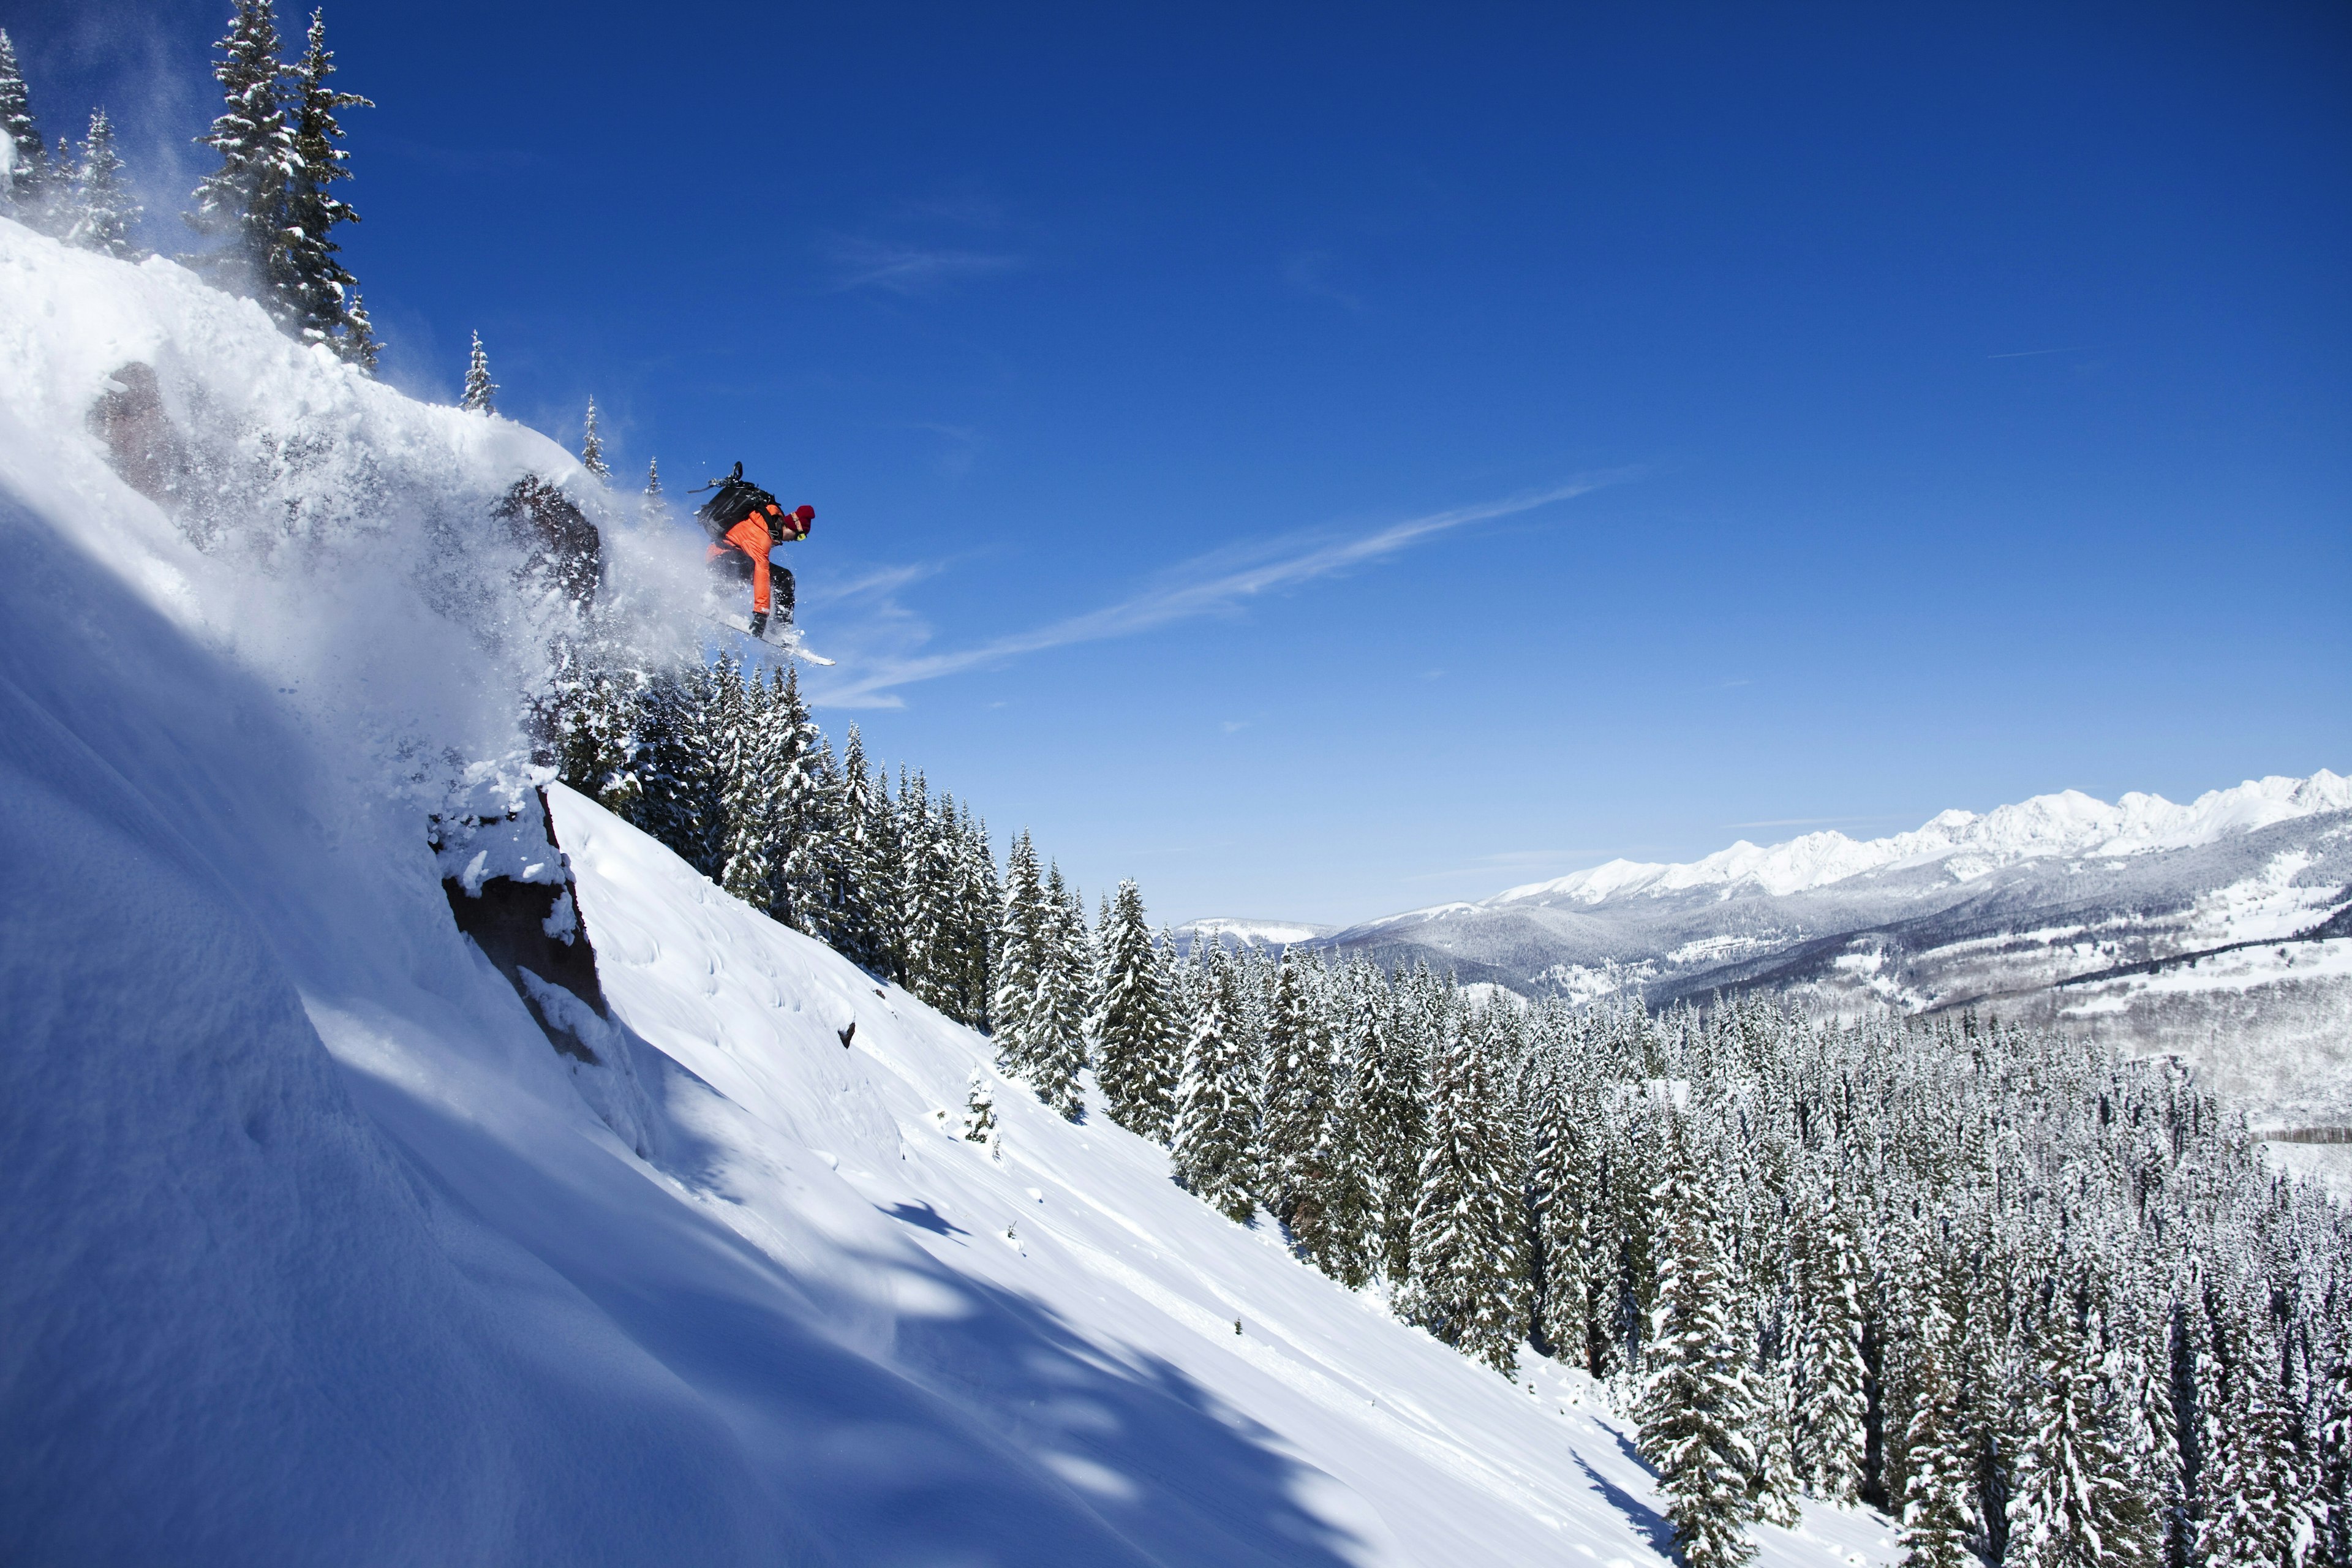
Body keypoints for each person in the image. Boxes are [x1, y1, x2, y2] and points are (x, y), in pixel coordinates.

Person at [696, 463, 814, 638]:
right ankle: (710, 600)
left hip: (730, 558)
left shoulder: (771, 520)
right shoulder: (763, 533)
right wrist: (761, 614)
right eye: (800, 536)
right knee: (748, 569)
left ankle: (781, 629)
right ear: (793, 527)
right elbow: (762, 571)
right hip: (721, 559)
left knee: (784, 578)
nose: (796, 541)